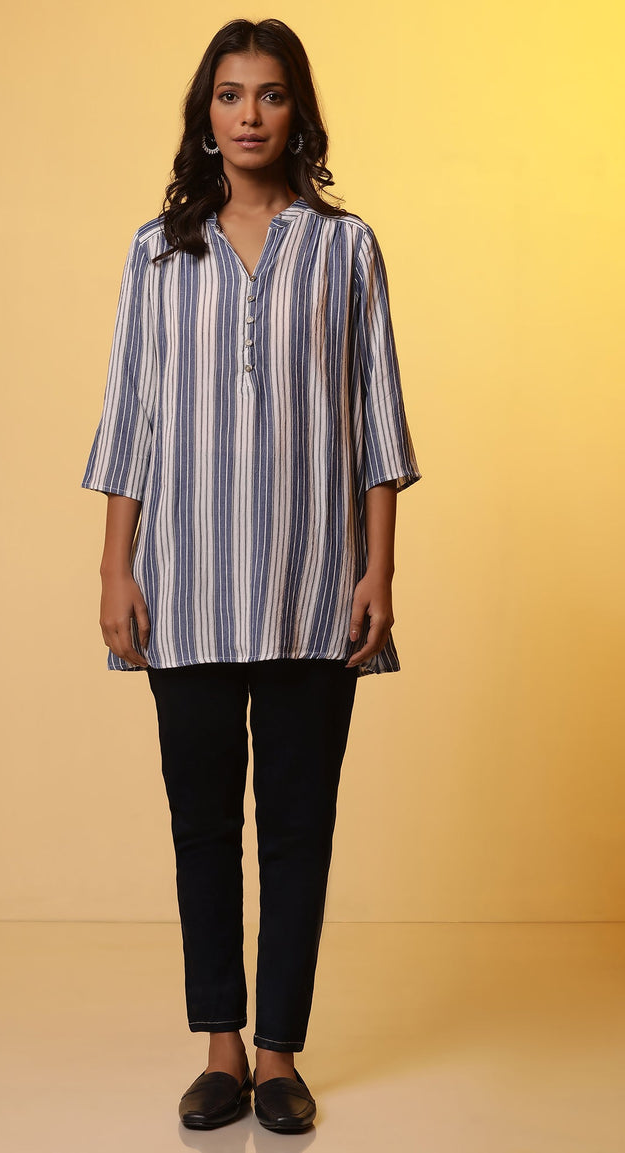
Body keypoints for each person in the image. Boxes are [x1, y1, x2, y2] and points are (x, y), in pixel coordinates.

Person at [81, 17, 422, 1133]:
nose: (247, 115)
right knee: (201, 827)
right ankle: (219, 1048)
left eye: (269, 95)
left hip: (312, 582)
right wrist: (114, 569)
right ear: (204, 115)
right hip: (182, 584)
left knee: (297, 826)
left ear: (296, 112)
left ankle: (279, 1053)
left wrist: (377, 571)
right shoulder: (155, 253)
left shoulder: (344, 247)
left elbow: (376, 421)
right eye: (228, 95)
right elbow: (130, 419)